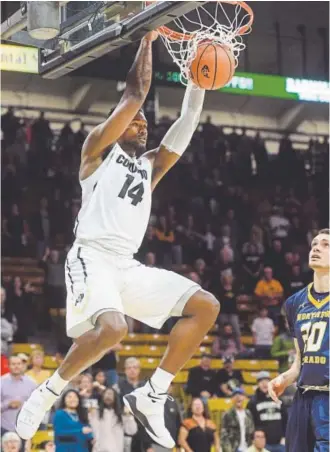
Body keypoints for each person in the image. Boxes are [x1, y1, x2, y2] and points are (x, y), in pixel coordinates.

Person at [17, 30, 220, 451]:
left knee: (205, 307)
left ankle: (153, 393)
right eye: (136, 121)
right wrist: (146, 40)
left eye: (146, 123)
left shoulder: (150, 166)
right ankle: (49, 391)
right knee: (114, 329)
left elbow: (185, 125)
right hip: (91, 255)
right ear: (117, 124)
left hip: (126, 265)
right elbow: (135, 92)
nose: (143, 125)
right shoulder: (96, 151)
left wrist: (196, 83)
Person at [268, 229, 330, 452]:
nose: (316, 248)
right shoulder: (295, 303)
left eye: (325, 245)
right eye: (314, 244)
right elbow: (300, 361)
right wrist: (284, 378)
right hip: (303, 398)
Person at [247, 371, 286, 452]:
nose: (264, 384)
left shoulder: (278, 398)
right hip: (263, 445)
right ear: (258, 384)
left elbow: (286, 419)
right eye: (261, 381)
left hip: (280, 443)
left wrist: (284, 436)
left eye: (266, 381)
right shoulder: (252, 402)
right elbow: (250, 424)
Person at [89, 387, 137, 452]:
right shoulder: (96, 413)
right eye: (106, 394)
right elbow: (92, 430)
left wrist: (128, 416)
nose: (108, 396)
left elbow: (132, 431)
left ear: (115, 398)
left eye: (110, 394)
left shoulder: (122, 415)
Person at [1, 355, 36, 436]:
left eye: (19, 364)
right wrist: (7, 404)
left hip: (25, 428)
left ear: (22, 365)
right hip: (4, 427)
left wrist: (24, 405)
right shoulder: (1, 382)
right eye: (13, 364)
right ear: (8, 366)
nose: (16, 366)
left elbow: (36, 405)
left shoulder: (32, 384)